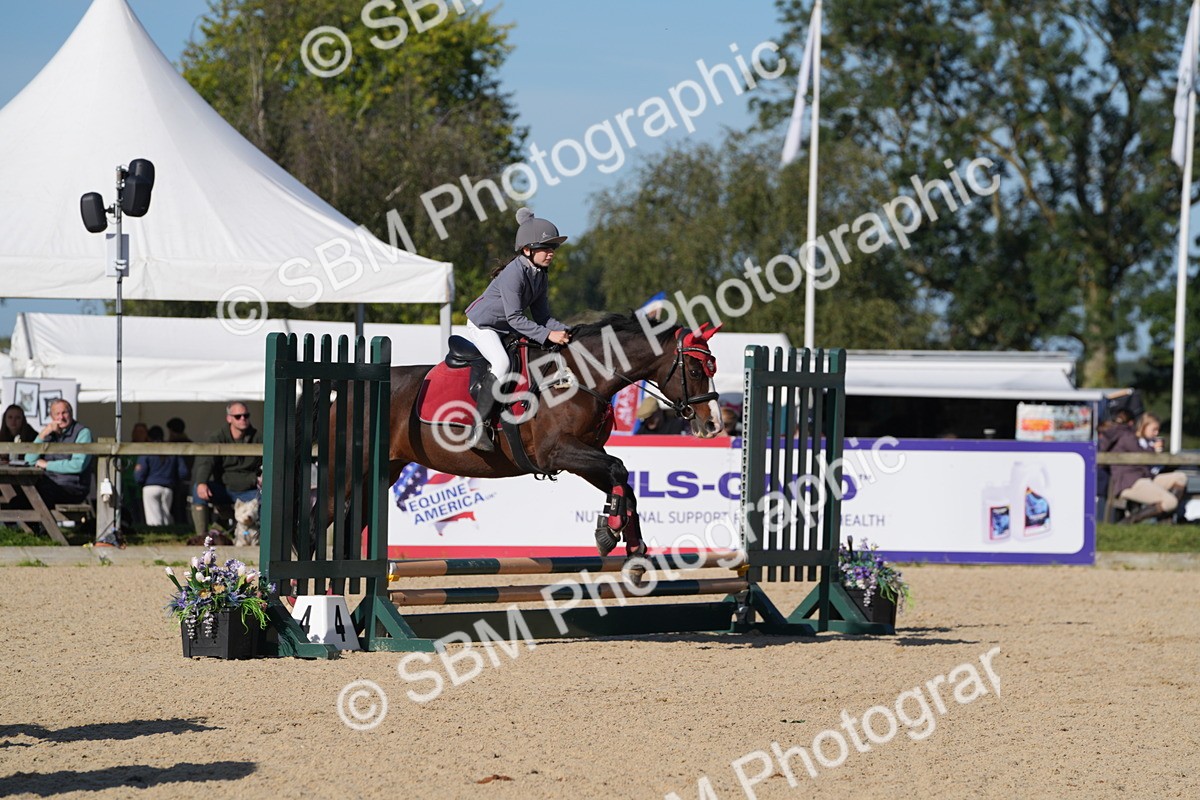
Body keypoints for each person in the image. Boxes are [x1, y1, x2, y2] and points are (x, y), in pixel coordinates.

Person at [463, 207, 571, 451]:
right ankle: (476, 428)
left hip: (506, 327)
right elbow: (514, 317)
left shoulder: (541, 274)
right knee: (501, 364)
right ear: (527, 250)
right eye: (545, 248)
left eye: (553, 248)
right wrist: (547, 334)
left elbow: (543, 317)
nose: (551, 253)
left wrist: (569, 332)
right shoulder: (514, 273)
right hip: (484, 325)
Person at [1099, 409, 1189, 524]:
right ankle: (1130, 521)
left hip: (1145, 477)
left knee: (1180, 477)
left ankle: (1165, 518)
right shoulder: (1127, 437)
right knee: (1170, 502)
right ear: (1144, 426)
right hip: (1130, 483)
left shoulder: (1141, 440)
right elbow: (1142, 456)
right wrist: (1155, 450)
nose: (1156, 433)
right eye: (1154, 429)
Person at [192, 402, 262, 535]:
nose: (243, 419)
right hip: (224, 489)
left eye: (246, 415)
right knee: (197, 489)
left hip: (250, 490)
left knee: (268, 497)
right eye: (238, 416)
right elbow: (207, 462)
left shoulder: (258, 437)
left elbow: (269, 461)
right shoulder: (217, 437)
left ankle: (263, 537)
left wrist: (262, 477)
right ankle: (201, 537)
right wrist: (201, 482)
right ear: (229, 418)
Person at [23, 399, 94, 506]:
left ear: (71, 414)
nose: (61, 417)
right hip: (49, 485)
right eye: (57, 414)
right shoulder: (49, 433)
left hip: (73, 488)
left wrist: (47, 465)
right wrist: (43, 434)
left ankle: (39, 523)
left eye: (64, 413)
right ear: (52, 417)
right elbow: (29, 460)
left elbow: (78, 465)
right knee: (19, 500)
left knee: (35, 500)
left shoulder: (83, 433)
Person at [134, 425, 188, 527]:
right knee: (166, 516)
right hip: (168, 488)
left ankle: (156, 537)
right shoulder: (171, 450)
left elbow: (139, 474)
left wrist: (140, 482)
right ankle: (168, 534)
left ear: (149, 437)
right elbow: (183, 472)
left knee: (153, 519)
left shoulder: (147, 450)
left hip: (150, 487)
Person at [166, 416, 194, 526]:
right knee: (182, 506)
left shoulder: (172, 444)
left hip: (176, 479)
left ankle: (179, 526)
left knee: (176, 507)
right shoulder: (190, 443)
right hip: (187, 479)